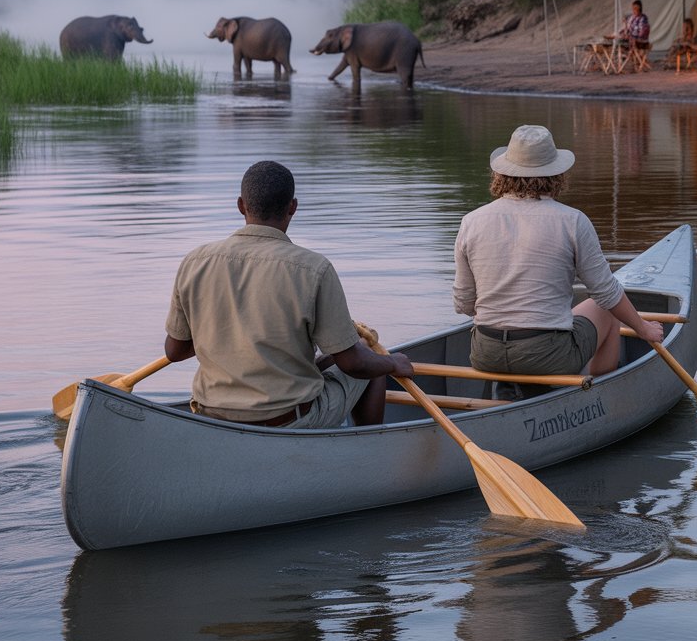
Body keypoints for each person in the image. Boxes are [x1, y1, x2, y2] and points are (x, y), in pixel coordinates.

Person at [164, 160, 413, 427]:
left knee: (351, 356)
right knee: (371, 360)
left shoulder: (195, 262)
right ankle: (366, 452)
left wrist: (217, 333)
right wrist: (391, 365)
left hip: (210, 417)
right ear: (292, 207)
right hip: (287, 421)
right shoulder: (314, 269)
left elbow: (174, 351)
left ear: (240, 205)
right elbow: (353, 364)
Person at [452, 125, 664, 390]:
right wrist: (643, 328)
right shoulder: (572, 221)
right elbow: (607, 293)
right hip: (546, 356)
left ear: (502, 172)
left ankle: (509, 389)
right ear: (556, 173)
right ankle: (598, 393)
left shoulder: (471, 221)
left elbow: (463, 303)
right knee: (607, 310)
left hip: (485, 353)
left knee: (561, 319)